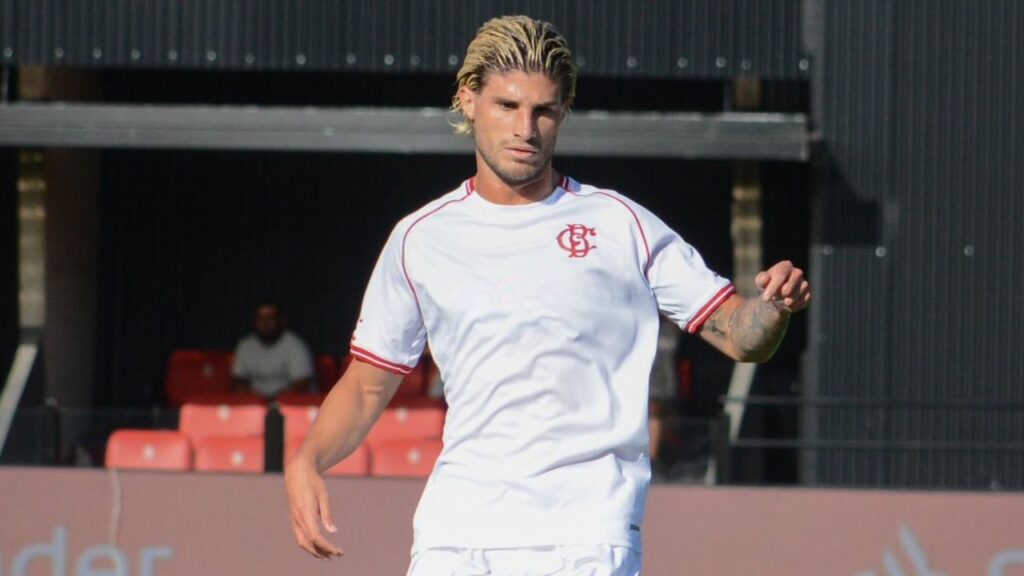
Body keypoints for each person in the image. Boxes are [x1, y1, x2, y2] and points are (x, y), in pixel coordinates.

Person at [285, 15, 811, 575]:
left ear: (564, 113)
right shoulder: (420, 238)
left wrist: (773, 307)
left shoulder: (621, 225)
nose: (526, 128)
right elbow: (367, 385)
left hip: (584, 536)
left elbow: (738, 335)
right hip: (455, 534)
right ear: (468, 100)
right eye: (507, 105)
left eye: (543, 110)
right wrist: (307, 459)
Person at [232, 300, 314, 399]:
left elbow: (302, 383)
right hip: (255, 403)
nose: (265, 322)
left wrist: (274, 401)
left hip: (289, 404)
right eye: (260, 318)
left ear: (282, 320)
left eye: (270, 317)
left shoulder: (295, 345)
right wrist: (253, 398)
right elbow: (239, 379)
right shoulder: (245, 345)